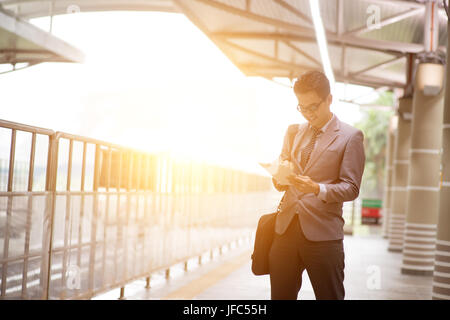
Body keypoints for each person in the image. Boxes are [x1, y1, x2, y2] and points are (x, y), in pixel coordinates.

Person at [269, 70, 365, 300]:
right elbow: (280, 178)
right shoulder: (293, 132)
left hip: (323, 235)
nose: (308, 114)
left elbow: (351, 187)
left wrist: (317, 188)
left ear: (329, 99)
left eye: (313, 107)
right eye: (302, 107)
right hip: (286, 230)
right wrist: (280, 175)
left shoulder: (350, 137)